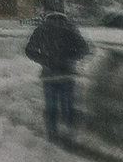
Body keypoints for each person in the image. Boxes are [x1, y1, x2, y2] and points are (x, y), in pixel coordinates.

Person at [25, 11, 90, 141]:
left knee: (51, 105)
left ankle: (52, 131)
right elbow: (84, 49)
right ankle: (70, 131)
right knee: (68, 104)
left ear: (48, 18)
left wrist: (44, 60)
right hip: (67, 74)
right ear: (63, 18)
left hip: (49, 74)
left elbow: (29, 50)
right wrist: (70, 59)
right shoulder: (70, 28)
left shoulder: (41, 29)